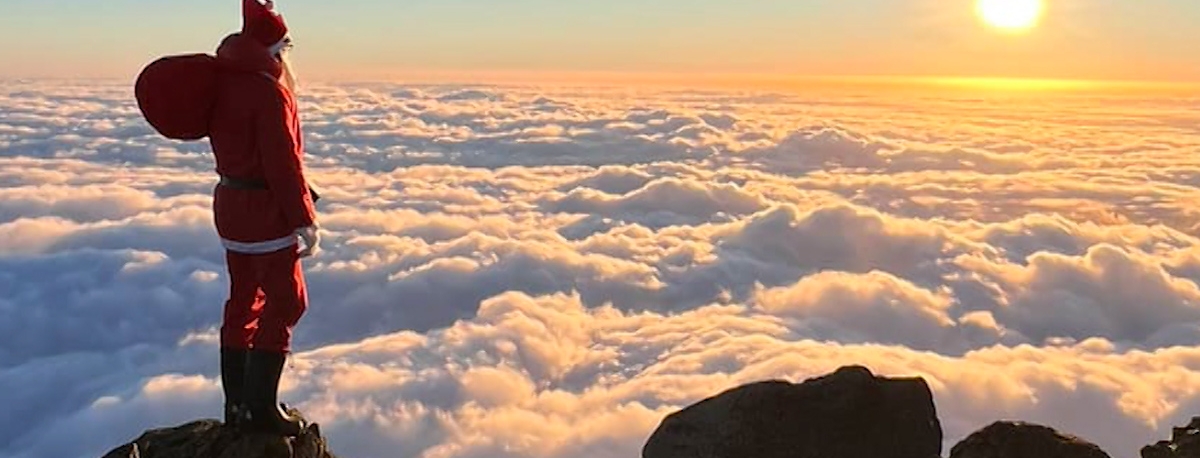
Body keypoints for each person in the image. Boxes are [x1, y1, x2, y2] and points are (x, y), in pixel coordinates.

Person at [208, 0, 320, 437]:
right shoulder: (271, 92)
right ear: (275, 49)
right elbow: (281, 163)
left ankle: (236, 406)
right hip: (265, 216)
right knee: (288, 301)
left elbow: (248, 156)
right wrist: (304, 217)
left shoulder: (225, 85)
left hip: (231, 211)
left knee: (243, 301)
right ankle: (260, 407)